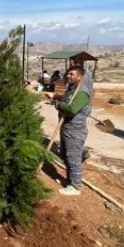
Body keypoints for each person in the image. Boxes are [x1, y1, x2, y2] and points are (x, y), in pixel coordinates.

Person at [52, 65, 93, 196]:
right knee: (65, 155)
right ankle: (69, 181)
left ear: (80, 76)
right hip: (66, 128)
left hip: (75, 131)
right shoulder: (72, 89)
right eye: (68, 74)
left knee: (73, 158)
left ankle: (76, 187)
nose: (68, 76)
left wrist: (59, 105)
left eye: (72, 74)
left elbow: (71, 109)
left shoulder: (82, 92)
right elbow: (67, 103)